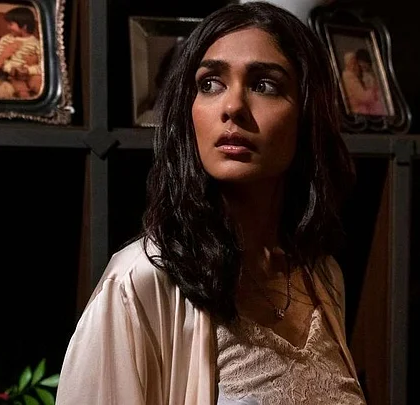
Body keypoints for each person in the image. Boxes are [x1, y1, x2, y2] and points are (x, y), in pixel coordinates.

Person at [55, 2, 365, 404]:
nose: (232, 107)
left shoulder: (322, 276)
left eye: (264, 85)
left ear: (308, 114)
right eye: (210, 84)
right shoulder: (140, 282)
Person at [0, 7, 43, 99]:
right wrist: (11, 69)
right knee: (21, 89)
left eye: (11, 24)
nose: (8, 27)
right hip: (13, 74)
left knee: (38, 83)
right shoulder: (5, 40)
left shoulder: (36, 43)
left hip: (30, 73)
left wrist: (28, 70)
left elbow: (43, 65)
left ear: (24, 26)